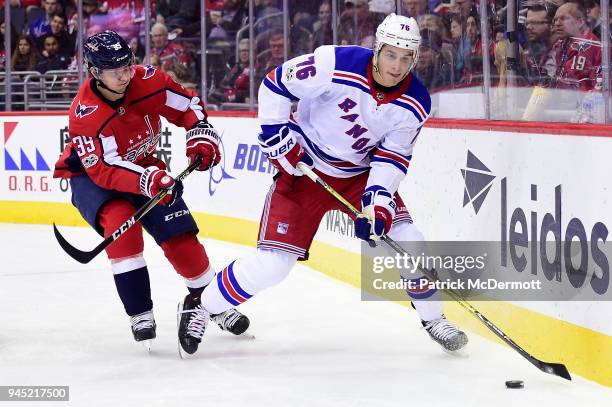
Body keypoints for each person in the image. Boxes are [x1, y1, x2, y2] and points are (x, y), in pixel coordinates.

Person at [176, 13, 468, 355]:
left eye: (406, 57)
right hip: (305, 170)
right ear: (377, 49)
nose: (397, 65)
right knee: (272, 266)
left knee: (410, 240)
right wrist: (276, 133)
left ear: (415, 58)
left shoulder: (416, 102)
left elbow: (392, 157)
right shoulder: (336, 62)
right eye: (390, 54)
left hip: (357, 177)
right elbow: (275, 83)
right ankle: (201, 305)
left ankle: (434, 318)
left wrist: (377, 202)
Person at [52, 30, 249, 350]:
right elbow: (104, 168)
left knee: (179, 232)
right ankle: (140, 311)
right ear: (95, 73)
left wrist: (200, 133)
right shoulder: (84, 114)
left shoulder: (148, 80)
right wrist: (149, 179)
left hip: (143, 165)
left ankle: (210, 300)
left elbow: (188, 105)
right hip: (91, 177)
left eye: (127, 66)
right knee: (121, 225)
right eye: (115, 71)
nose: (125, 74)